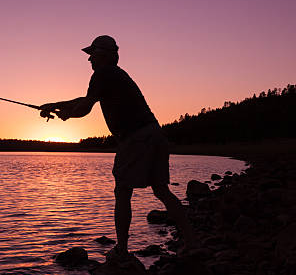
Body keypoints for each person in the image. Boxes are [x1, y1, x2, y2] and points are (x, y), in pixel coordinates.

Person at [39, 35, 197, 256]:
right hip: (155, 134)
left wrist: (66, 114)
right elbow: (86, 100)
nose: (89, 60)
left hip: (135, 137)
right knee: (162, 190)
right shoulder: (117, 75)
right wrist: (57, 106)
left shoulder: (102, 74)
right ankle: (191, 241)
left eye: (92, 54)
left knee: (123, 190)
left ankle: (122, 249)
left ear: (103, 55)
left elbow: (85, 106)